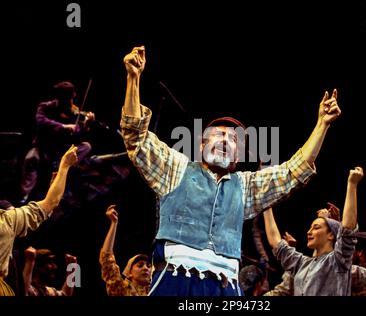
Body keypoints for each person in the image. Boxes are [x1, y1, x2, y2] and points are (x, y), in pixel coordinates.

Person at [120, 45, 341, 296]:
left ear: (237, 156)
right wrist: (133, 78)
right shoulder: (176, 167)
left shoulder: (245, 186)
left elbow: (293, 172)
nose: (226, 140)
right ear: (201, 145)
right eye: (219, 135)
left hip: (226, 287)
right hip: (175, 280)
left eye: (234, 140)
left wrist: (322, 125)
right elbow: (136, 137)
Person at [263, 167, 363, 296]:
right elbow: (276, 242)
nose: (309, 232)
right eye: (310, 228)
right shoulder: (302, 263)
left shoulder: (337, 261)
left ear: (331, 235)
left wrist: (352, 184)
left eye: (316, 227)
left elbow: (348, 231)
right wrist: (265, 204)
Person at [0, 145, 78, 296]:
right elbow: (23, 288)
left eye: (53, 263)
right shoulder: (30, 289)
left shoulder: (47, 291)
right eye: (49, 263)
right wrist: (30, 261)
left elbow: (67, 295)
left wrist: (75, 270)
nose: (54, 267)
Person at [20, 81, 94, 202]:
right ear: (60, 98)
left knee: (86, 146)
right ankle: (24, 195)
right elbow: (41, 121)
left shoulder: (74, 112)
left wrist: (86, 126)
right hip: (42, 147)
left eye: (71, 98)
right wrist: (64, 126)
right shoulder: (45, 107)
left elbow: (76, 136)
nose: (71, 102)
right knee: (31, 158)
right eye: (68, 99)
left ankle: (63, 167)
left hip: (61, 150)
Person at [99, 205, 152, 296]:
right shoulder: (121, 290)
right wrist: (114, 223)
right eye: (140, 265)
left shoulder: (156, 291)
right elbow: (107, 259)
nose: (145, 268)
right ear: (129, 273)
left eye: (148, 266)